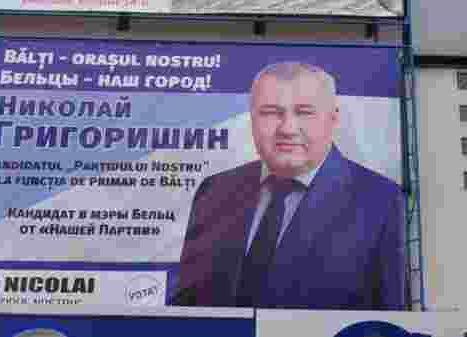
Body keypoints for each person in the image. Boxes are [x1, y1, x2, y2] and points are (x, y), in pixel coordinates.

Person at [169, 62, 405, 309]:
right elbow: (188, 303)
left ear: (333, 118)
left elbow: (388, 317)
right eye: (271, 112)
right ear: (252, 118)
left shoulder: (382, 203)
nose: (288, 129)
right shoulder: (215, 190)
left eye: (304, 112)